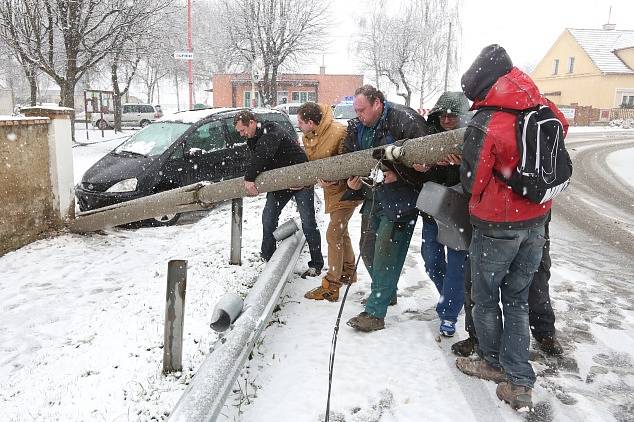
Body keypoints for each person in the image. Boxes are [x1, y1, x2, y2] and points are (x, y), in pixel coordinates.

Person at [455, 44, 569, 411]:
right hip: (536, 221)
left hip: (495, 226)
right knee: (517, 299)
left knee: (486, 299)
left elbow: (472, 182)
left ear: (484, 87)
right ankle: (520, 380)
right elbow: (562, 128)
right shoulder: (541, 106)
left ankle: (492, 363)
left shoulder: (487, 121)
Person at [343, 85, 428, 332]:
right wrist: (351, 179)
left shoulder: (405, 120)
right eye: (356, 111)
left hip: (401, 201)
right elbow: (349, 157)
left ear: (377, 103)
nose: (359, 115)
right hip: (374, 197)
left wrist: (399, 176)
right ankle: (386, 291)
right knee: (367, 250)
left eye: (362, 110)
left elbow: (426, 163)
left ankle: (375, 313)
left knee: (385, 256)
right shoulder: (357, 128)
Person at [451, 215, 564, 357]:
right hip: (494, 219)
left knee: (535, 282)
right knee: (478, 283)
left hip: (530, 219)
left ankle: (544, 332)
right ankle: (477, 336)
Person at [234, 110, 324, 277]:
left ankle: (316, 263)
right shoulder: (252, 138)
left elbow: (264, 154)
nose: (242, 134)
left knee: (308, 221)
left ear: (252, 122)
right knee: (268, 216)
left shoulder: (271, 130)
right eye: (239, 131)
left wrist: (249, 178)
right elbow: (259, 160)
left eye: (243, 130)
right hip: (281, 182)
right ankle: (268, 257)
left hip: (300, 179)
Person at [412, 92, 470, 337]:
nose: (447, 119)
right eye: (442, 114)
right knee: (431, 260)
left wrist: (462, 165)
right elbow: (416, 176)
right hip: (432, 209)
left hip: (460, 212)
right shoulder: (427, 136)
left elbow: (484, 174)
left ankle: (449, 312)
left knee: (457, 264)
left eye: (452, 115)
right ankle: (454, 297)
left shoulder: (473, 137)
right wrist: (422, 168)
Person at [297, 102, 361, 302]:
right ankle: (348, 272)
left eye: (300, 122)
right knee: (341, 232)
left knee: (334, 234)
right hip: (331, 192)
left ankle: (332, 285)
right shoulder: (308, 136)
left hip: (347, 191)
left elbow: (349, 162)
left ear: (310, 122)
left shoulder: (339, 132)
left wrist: (336, 179)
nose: (298, 126)